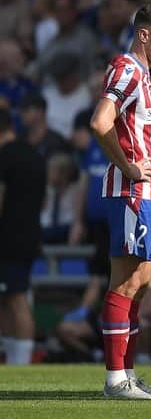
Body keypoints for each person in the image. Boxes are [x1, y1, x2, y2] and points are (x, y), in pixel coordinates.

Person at [89, 3, 151, 399]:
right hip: (131, 194)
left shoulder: (143, 75)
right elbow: (100, 121)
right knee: (126, 284)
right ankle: (115, 379)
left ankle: (126, 375)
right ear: (144, 35)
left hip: (150, 195)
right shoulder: (126, 69)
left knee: (140, 284)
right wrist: (126, 166)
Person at [0, 108, 46, 365]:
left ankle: (22, 360)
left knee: (16, 298)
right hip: (29, 234)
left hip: (8, 239)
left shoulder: (5, 157)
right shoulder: (34, 155)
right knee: (7, 298)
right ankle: (14, 355)